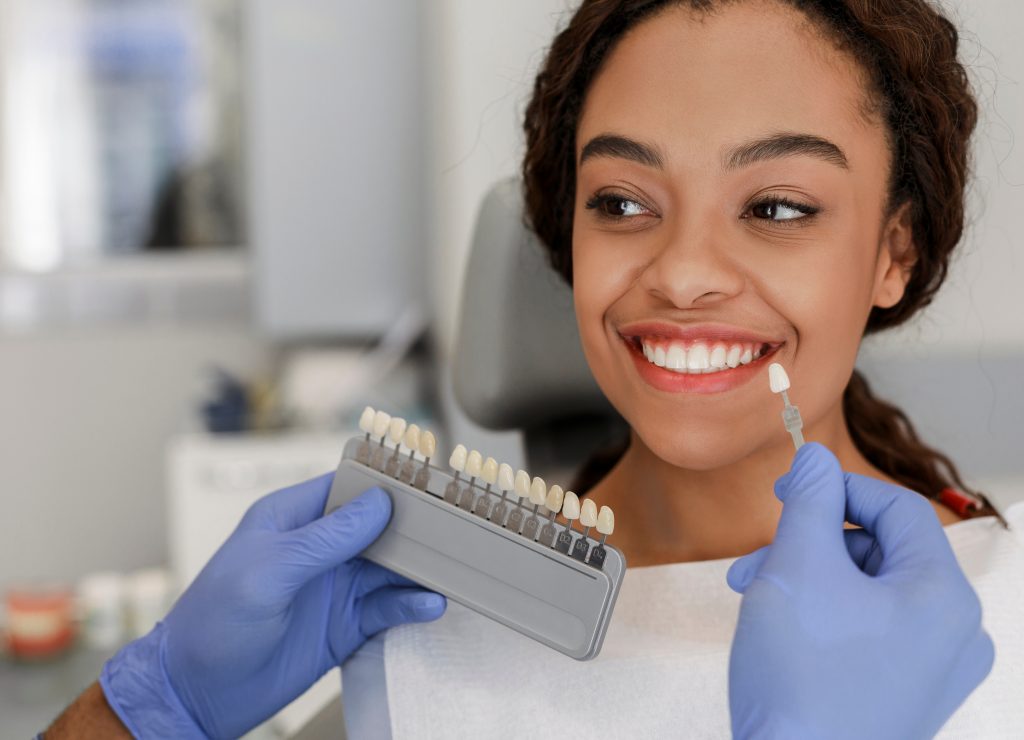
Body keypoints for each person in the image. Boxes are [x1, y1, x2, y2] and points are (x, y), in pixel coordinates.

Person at [42, 444, 994, 739]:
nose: (684, 271)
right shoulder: (421, 645)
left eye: (780, 207)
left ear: (894, 249)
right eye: (621, 203)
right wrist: (151, 707)